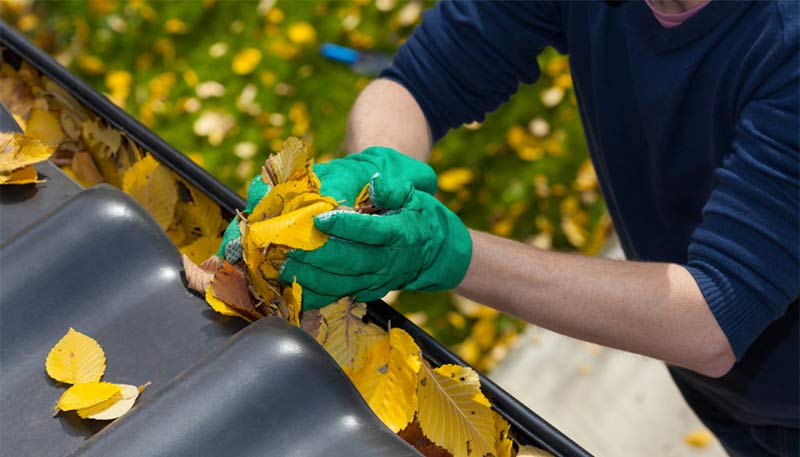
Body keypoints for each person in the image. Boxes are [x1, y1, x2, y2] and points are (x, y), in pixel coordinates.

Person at [220, 1, 798, 455]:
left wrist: (445, 253)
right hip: (731, 398)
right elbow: (416, 84)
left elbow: (713, 317)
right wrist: (375, 175)